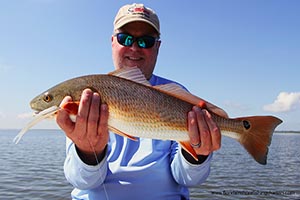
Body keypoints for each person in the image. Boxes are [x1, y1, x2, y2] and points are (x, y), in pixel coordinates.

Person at [56, 3, 227, 200]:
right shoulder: (88, 96)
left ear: (158, 47)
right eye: (125, 39)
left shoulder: (177, 96)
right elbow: (82, 181)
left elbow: (186, 179)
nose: (134, 48)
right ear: (113, 42)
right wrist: (87, 151)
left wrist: (198, 155)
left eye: (145, 41)